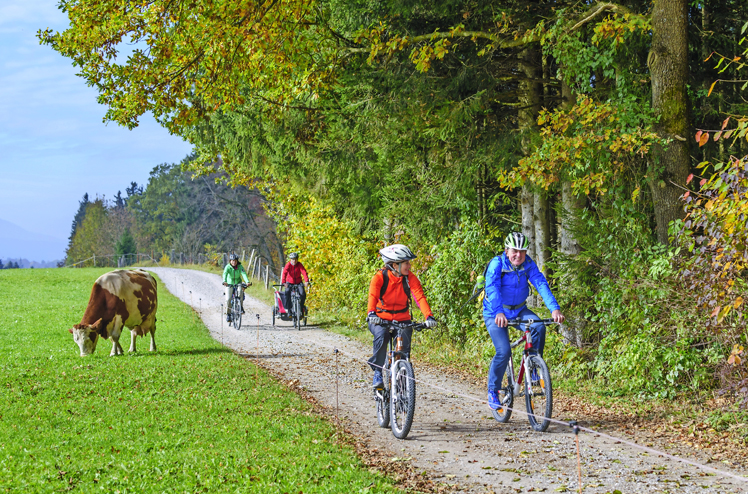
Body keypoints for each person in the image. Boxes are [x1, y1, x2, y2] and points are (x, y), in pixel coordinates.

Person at [483, 232, 565, 410]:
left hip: (519, 310)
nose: (518, 255)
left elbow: (541, 283)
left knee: (538, 327)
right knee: (504, 351)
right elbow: (492, 288)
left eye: (522, 251)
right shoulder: (497, 264)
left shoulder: (527, 264)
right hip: (495, 312)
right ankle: (493, 390)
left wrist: (554, 308)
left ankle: (534, 366)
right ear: (506, 250)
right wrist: (498, 312)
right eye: (514, 251)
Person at [367, 244, 437, 389]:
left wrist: (428, 316)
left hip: (402, 318)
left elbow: (419, 297)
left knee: (404, 350)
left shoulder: (409, 278)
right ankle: (378, 372)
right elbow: (373, 296)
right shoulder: (380, 277)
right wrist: (371, 313)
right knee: (382, 335)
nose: (409, 266)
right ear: (394, 265)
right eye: (406, 263)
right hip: (380, 318)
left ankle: (402, 377)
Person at [222, 253, 250, 322]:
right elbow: (225, 274)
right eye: (232, 260)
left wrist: (247, 282)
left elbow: (243, 274)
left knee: (240, 292)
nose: (234, 262)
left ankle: (241, 308)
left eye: (235, 261)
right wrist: (224, 281)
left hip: (238, 282)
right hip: (229, 283)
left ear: (237, 261)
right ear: (230, 261)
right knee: (228, 299)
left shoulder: (240, 266)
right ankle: (228, 314)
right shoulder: (228, 267)